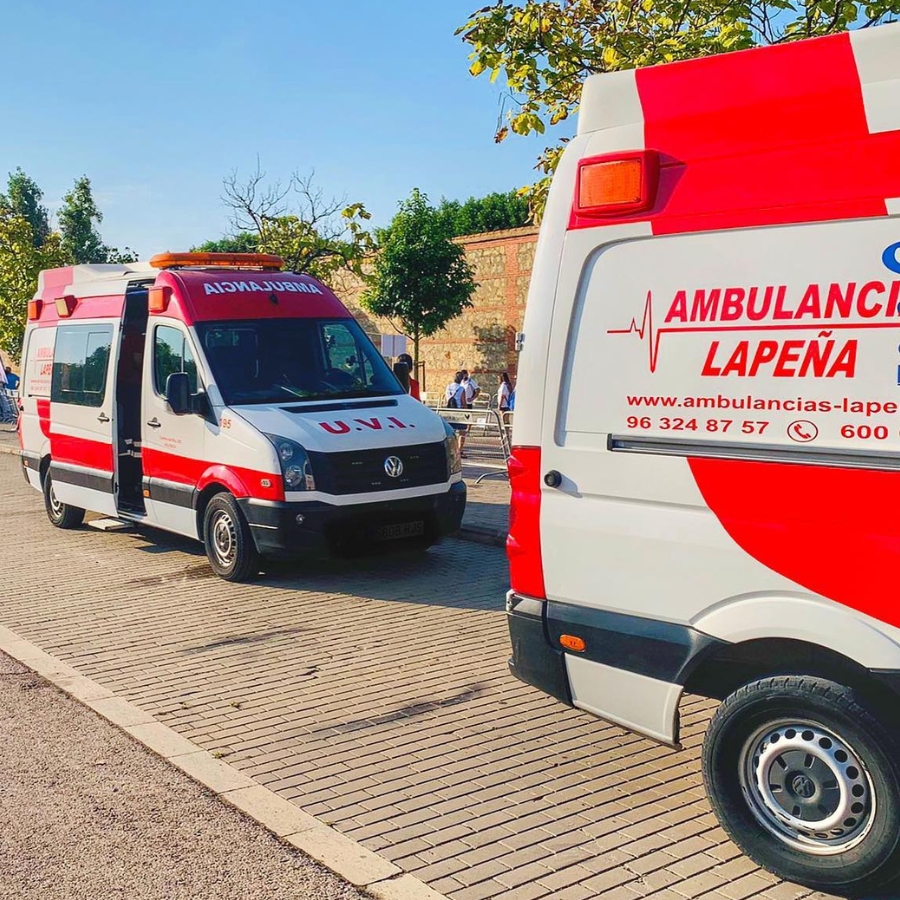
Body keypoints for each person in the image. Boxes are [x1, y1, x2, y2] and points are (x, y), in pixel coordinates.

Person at [444, 371, 468, 454]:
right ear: (461, 379)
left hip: (449, 412)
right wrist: (466, 413)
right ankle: (460, 450)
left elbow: (445, 400)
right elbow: (463, 402)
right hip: (459, 412)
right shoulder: (461, 389)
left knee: (451, 432)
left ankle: (451, 449)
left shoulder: (448, 387)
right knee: (462, 431)